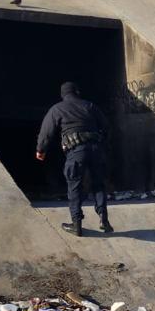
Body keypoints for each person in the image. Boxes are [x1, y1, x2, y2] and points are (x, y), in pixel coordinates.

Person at [36, 82, 112, 237]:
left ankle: (76, 224)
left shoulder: (57, 109)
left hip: (76, 153)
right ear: (77, 92)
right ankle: (104, 220)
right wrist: (100, 143)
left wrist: (40, 150)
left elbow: (46, 132)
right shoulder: (89, 106)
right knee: (98, 184)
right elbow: (106, 126)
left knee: (74, 186)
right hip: (96, 150)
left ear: (63, 95)